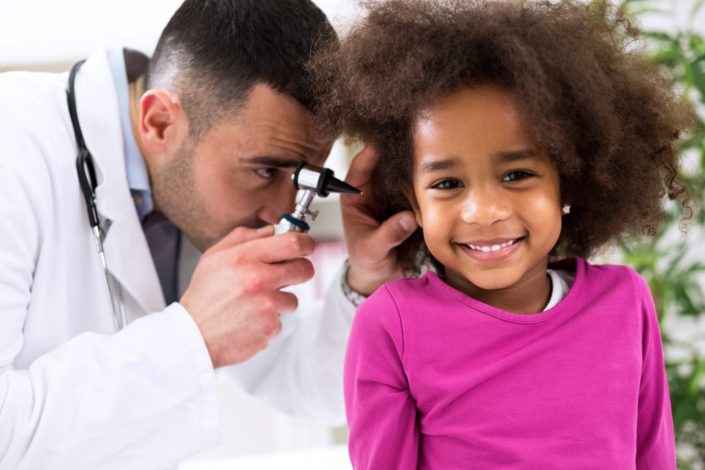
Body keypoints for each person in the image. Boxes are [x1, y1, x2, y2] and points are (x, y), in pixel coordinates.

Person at [0, 0, 418, 468]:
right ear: (159, 123)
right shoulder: (12, 148)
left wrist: (364, 279)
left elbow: (301, 384)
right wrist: (192, 338)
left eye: (303, 179)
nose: (282, 210)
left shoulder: (188, 188)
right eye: (264, 170)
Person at [312, 0, 693, 468]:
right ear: (414, 203)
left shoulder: (624, 301)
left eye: (516, 174)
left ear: (566, 184)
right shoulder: (393, 326)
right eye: (448, 184)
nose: (484, 211)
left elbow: (654, 455)